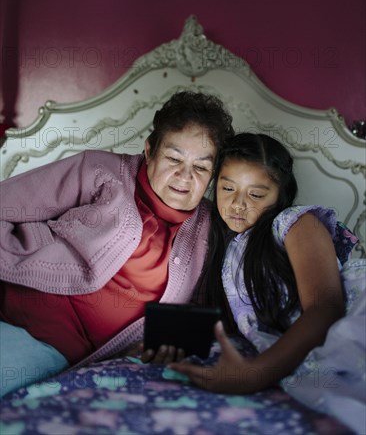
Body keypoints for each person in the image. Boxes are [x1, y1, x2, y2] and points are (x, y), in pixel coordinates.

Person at [0, 91, 234, 398]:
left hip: (64, 348)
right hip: (21, 309)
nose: (184, 176)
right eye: (174, 158)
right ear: (149, 151)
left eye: (201, 167)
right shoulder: (101, 172)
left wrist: (168, 341)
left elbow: (206, 311)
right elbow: (7, 203)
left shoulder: (210, 229)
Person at [169, 133, 365, 434]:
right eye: (227, 188)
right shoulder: (221, 246)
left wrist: (254, 375)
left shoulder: (294, 224)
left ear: (280, 195)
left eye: (256, 195)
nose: (238, 204)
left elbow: (326, 307)